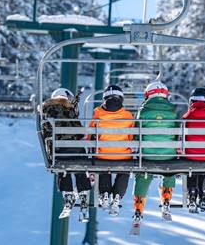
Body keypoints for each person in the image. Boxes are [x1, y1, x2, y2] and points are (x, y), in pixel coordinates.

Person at [133, 81, 179, 222]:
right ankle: (166, 198)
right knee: (169, 170)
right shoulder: (173, 112)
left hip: (147, 155)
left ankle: (139, 207)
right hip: (168, 156)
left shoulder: (143, 111)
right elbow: (177, 134)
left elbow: (136, 135)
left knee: (143, 174)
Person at [42, 88, 91, 218]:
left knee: (62, 170)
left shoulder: (45, 112)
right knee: (80, 168)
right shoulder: (69, 110)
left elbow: (45, 133)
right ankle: (83, 194)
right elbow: (80, 132)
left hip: (59, 152)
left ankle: (68, 195)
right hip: (76, 151)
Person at [89, 85, 135, 216]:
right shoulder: (128, 116)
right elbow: (132, 137)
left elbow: (89, 134)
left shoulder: (97, 113)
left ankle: (104, 194)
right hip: (123, 156)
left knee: (103, 169)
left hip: (102, 155)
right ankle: (117, 196)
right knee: (124, 171)